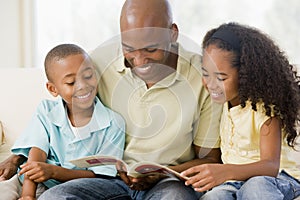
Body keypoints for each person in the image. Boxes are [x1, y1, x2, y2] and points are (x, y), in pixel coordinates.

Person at [37, 0, 223, 199]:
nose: (140, 60)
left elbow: (210, 158)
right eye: (129, 48)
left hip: (168, 183)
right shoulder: (96, 65)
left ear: (173, 33)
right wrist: (19, 157)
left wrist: (158, 174)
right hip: (106, 178)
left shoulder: (203, 76)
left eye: (151, 49)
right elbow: (55, 115)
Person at [181, 22, 300, 200]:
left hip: (279, 178)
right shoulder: (221, 104)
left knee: (255, 186)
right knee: (214, 197)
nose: (211, 84)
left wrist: (225, 171)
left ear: (245, 74)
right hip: (233, 181)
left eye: (221, 77)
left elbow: (271, 166)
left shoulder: (264, 109)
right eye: (206, 73)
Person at [1, 43, 126, 200]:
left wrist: (54, 172)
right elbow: (37, 154)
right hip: (33, 182)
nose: (83, 86)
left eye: (88, 76)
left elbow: (101, 175)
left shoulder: (113, 123)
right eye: (71, 82)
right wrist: (27, 195)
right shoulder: (46, 111)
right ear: (53, 89)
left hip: (77, 187)